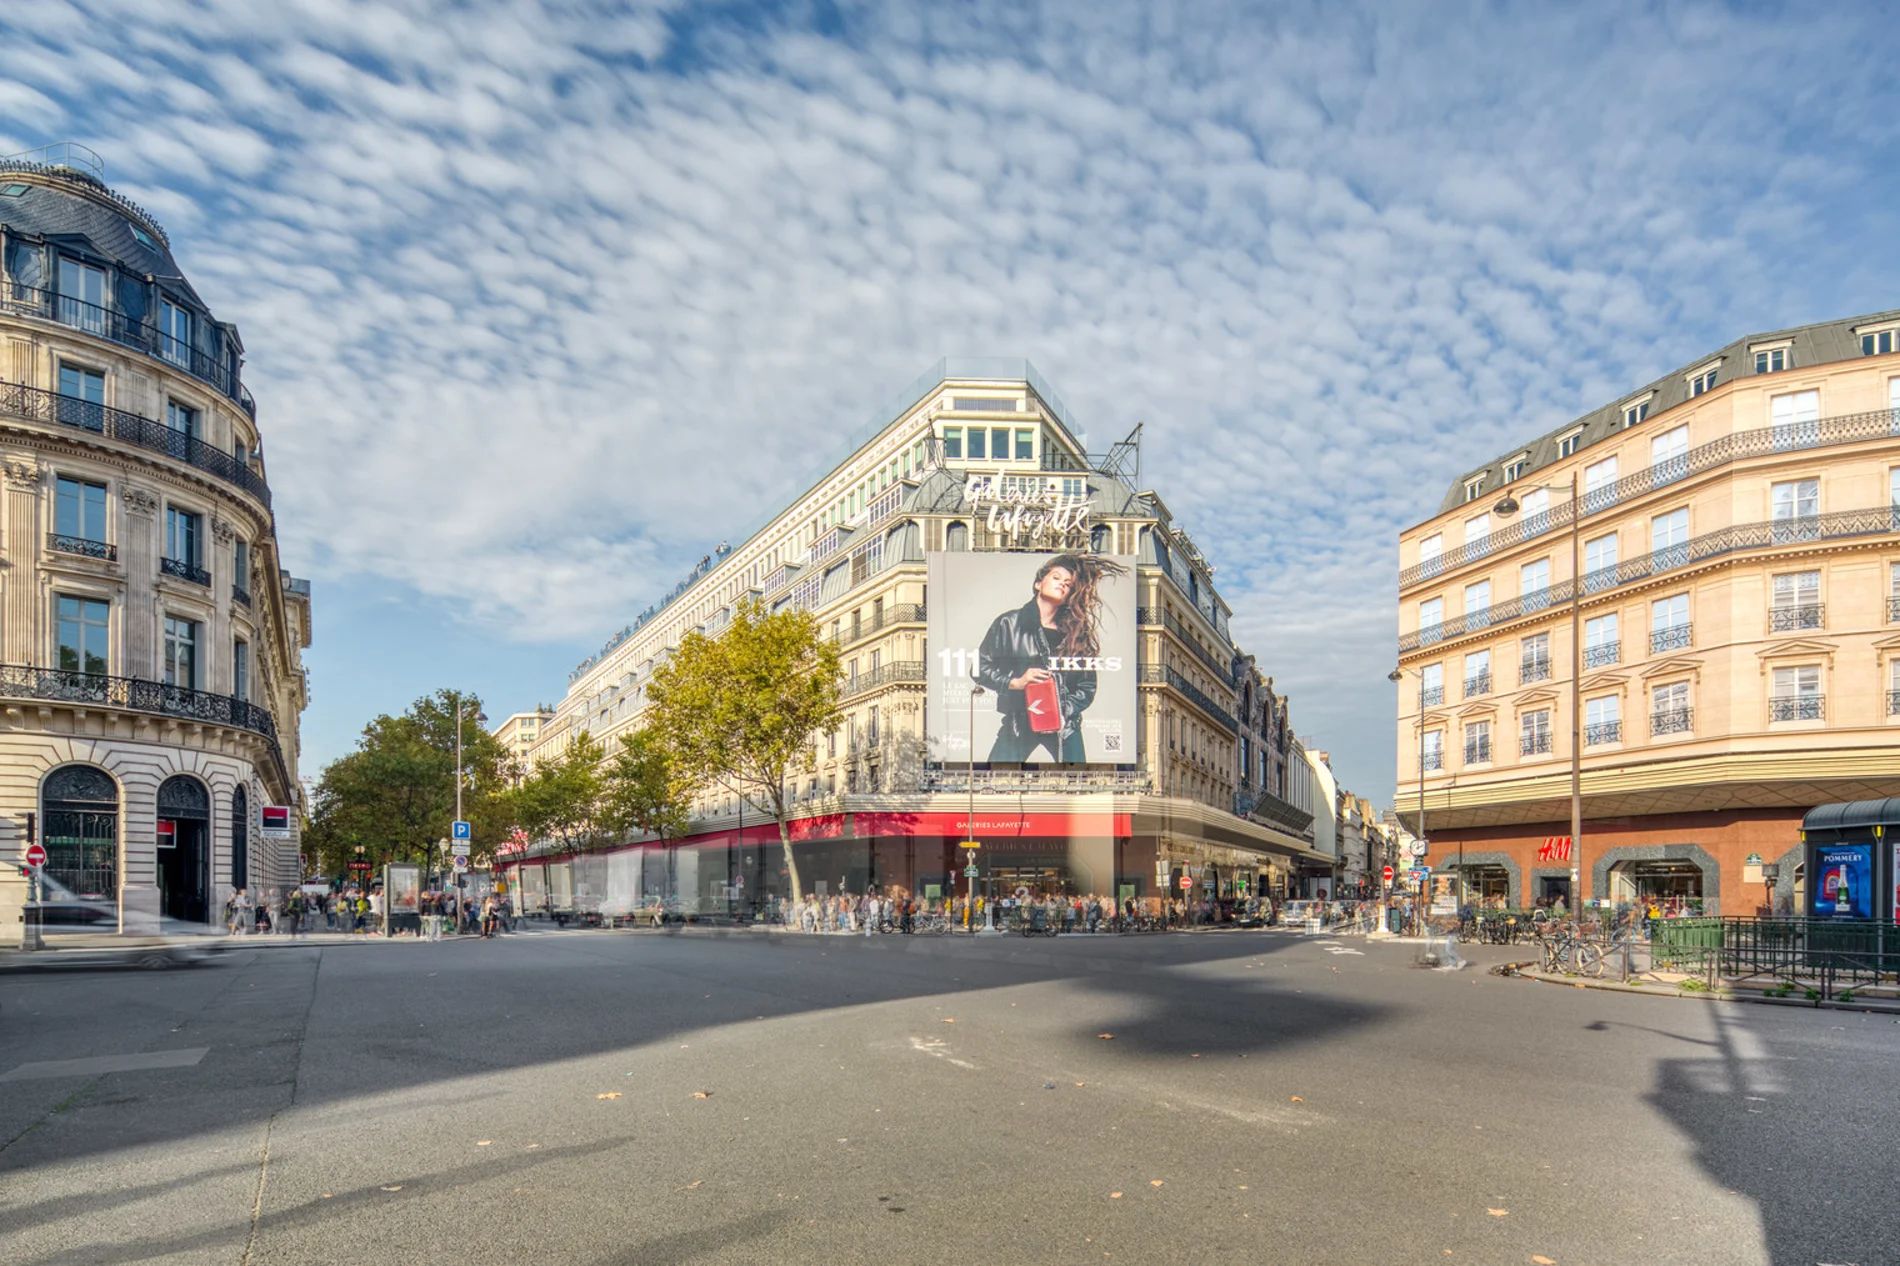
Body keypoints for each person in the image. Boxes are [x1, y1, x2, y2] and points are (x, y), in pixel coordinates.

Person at [973, 553, 1131, 763]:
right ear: (1038, 583)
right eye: (1056, 577)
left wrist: (1062, 709)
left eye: (1068, 584)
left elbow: (1087, 686)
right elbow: (979, 668)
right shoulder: (1009, 623)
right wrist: (1016, 682)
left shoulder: (1076, 633)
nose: (1062, 584)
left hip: (1064, 725)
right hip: (1019, 719)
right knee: (995, 776)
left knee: (1079, 781)